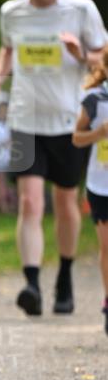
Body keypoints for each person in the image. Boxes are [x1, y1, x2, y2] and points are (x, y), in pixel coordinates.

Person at [0, 0, 107, 316]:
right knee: (29, 201)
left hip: (70, 121)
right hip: (25, 118)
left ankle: (65, 275)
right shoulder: (13, 12)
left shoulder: (80, 8)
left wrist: (80, 56)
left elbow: (102, 58)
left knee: (67, 203)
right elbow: (7, 49)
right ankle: (32, 283)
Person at [72, 45, 108, 335]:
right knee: (107, 247)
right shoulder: (94, 99)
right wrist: (98, 134)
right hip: (102, 185)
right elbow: (76, 138)